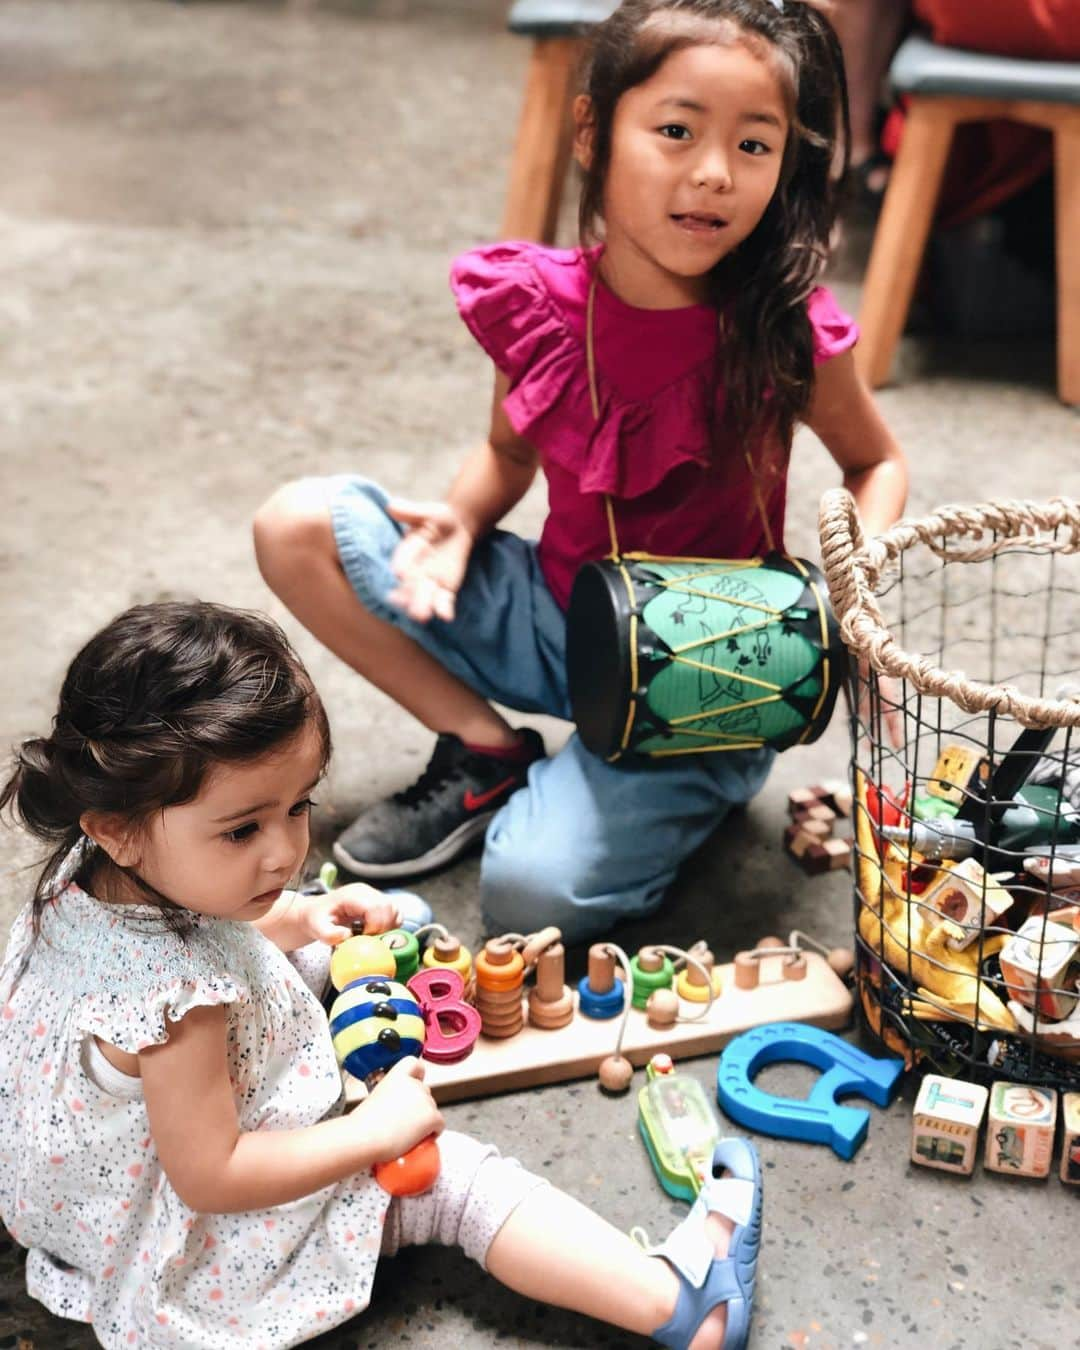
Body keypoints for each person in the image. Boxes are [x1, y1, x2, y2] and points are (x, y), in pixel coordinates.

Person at [253, 0, 909, 945]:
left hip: (707, 675)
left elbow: (876, 460)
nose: (715, 173)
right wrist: (464, 522)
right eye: (676, 131)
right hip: (558, 617)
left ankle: (683, 782)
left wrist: (851, 585)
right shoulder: (537, 302)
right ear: (597, 132)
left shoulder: (783, 326)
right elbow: (508, 451)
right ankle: (487, 752)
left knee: (530, 898)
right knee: (298, 524)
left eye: (755, 146)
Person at [0, 599, 762, 1350]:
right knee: (448, 1180)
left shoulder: (90, 867)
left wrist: (294, 918)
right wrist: (372, 1131)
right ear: (120, 829)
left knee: (320, 945)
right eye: (242, 830)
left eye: (298, 808)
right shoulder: (180, 1006)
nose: (284, 853)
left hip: (78, 1193)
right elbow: (215, 1174)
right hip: (197, 1243)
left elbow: (195, 929)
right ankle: (684, 1303)